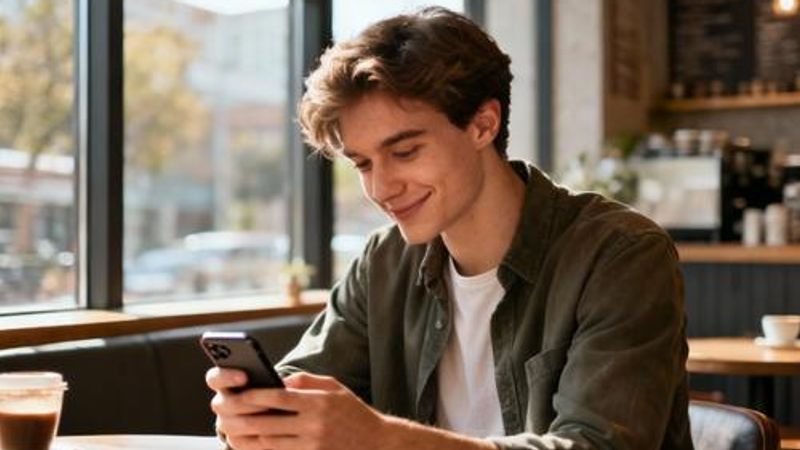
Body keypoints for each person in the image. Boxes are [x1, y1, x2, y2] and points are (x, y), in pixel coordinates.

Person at [206, 6, 693, 450]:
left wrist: (381, 440)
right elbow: (300, 381)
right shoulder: (384, 261)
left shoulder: (621, 254)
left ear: (483, 125)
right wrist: (255, 417)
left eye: (404, 152)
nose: (380, 189)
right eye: (362, 164)